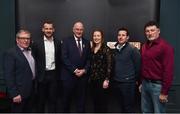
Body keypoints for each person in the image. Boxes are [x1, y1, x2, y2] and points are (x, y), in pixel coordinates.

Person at [139, 21, 174, 113]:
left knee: (159, 112)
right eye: (147, 31)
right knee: (145, 111)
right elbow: (144, 65)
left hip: (158, 87)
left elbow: (168, 71)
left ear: (158, 31)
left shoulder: (166, 47)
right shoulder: (144, 46)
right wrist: (142, 82)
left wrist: (164, 92)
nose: (150, 33)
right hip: (145, 84)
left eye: (152, 30)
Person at [61, 21, 91, 112]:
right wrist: (74, 70)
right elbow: (64, 58)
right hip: (68, 77)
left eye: (81, 29)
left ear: (83, 30)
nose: (79, 31)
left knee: (81, 103)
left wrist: (84, 70)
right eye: (77, 29)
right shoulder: (66, 41)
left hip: (82, 78)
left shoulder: (87, 42)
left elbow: (89, 59)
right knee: (66, 103)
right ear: (73, 30)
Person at [32, 20, 61, 112]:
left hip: (54, 76)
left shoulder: (58, 42)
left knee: (53, 101)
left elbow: (60, 59)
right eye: (46, 28)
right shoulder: (36, 43)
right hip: (41, 76)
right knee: (41, 102)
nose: (48, 30)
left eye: (50, 28)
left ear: (53, 30)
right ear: (43, 30)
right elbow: (33, 60)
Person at [3, 29, 36, 112]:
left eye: (28, 38)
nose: (26, 40)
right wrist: (14, 94)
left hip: (31, 91)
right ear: (17, 40)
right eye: (23, 38)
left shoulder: (31, 51)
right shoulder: (10, 53)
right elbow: (8, 75)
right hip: (19, 93)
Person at [111, 27, 141, 112]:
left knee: (128, 108)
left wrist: (133, 79)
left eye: (123, 35)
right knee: (121, 107)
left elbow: (138, 67)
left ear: (127, 37)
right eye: (119, 35)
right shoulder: (115, 49)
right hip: (117, 82)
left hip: (128, 84)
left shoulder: (132, 50)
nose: (120, 37)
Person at [89, 29, 112, 112]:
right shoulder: (92, 49)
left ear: (101, 37)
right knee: (95, 103)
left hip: (102, 81)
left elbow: (109, 66)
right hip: (93, 80)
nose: (96, 37)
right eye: (94, 36)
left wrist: (107, 79)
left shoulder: (106, 49)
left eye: (98, 36)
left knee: (102, 104)